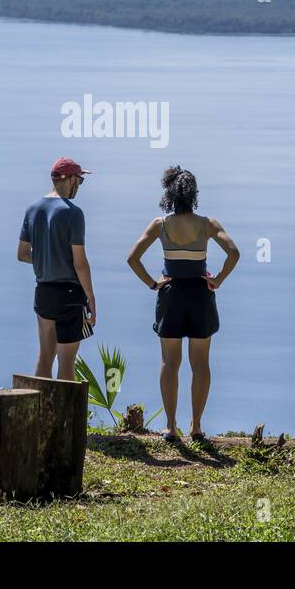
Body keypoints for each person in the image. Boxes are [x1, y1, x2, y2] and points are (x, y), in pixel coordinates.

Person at [127, 166, 239, 442]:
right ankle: (197, 426)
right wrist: (219, 280)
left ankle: (170, 426)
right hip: (201, 294)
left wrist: (153, 284)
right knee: (200, 364)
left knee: (169, 362)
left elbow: (132, 258)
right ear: (194, 195)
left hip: (171, 294)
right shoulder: (207, 224)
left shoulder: (160, 224)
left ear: (170, 194)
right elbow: (234, 253)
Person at [17, 157, 96, 381]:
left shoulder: (33, 209)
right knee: (67, 363)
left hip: (43, 291)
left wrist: (46, 257)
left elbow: (22, 253)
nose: (79, 186)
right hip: (70, 294)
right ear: (69, 179)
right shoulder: (73, 213)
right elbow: (80, 262)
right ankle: (64, 417)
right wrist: (91, 297)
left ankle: (39, 412)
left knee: (44, 358)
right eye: (79, 180)